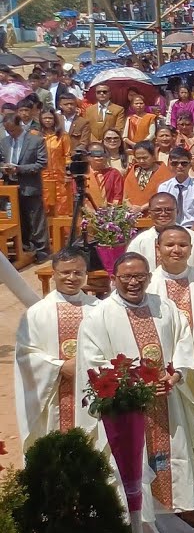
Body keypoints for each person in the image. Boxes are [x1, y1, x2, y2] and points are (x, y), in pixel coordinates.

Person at [74, 252, 194, 517]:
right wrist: (137, 386)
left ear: (149, 278)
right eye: (127, 277)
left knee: (171, 454)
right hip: (127, 408)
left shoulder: (165, 308)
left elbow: (183, 341)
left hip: (167, 399)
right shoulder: (99, 316)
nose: (133, 282)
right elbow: (93, 361)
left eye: (140, 276)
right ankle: (139, 520)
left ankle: (172, 513)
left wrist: (175, 375)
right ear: (113, 279)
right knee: (133, 460)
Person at [14, 250, 98, 448]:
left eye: (78, 272)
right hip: (53, 396)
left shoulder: (99, 308)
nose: (72, 278)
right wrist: (58, 367)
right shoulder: (36, 313)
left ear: (86, 273)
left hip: (91, 390)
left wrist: (89, 365)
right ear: (53, 273)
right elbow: (25, 354)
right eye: (65, 272)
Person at [1, 110, 50, 260]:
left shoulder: (36, 140)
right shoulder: (4, 142)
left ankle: (41, 250)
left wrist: (19, 169)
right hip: (11, 186)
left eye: (13, 130)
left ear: (19, 125)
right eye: (8, 131)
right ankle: (24, 248)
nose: (11, 133)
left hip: (30, 185)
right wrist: (4, 166)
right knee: (17, 217)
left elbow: (42, 163)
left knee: (35, 218)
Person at [157, 146, 194, 233]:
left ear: (190, 164)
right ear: (169, 164)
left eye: (184, 163)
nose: (179, 166)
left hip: (192, 231)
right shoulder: (164, 188)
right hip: (169, 230)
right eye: (175, 163)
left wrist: (189, 234)